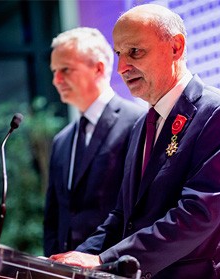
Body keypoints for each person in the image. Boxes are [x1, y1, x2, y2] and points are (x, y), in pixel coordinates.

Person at [50, 4, 220, 279]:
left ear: (176, 47)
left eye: (135, 52)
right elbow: (123, 217)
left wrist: (104, 259)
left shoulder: (219, 112)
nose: (122, 68)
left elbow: (198, 214)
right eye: (119, 54)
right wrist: (70, 261)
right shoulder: (141, 125)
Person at [43, 27, 145, 257]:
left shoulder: (137, 122)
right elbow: (53, 218)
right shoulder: (62, 140)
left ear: (98, 68)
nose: (56, 80)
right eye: (54, 71)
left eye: (65, 70)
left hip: (114, 267)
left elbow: (138, 209)